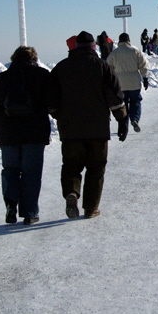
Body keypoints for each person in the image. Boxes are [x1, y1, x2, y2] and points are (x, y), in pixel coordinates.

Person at [49, 31, 128, 220]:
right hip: (97, 129)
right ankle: (91, 208)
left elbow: (50, 100)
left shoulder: (61, 68)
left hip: (70, 129)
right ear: (94, 46)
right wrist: (122, 119)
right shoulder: (102, 67)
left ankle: (72, 192)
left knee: (71, 165)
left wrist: (60, 116)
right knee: (96, 167)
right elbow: (114, 97)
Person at [0, 46, 51, 225]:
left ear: (13, 59)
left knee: (10, 170)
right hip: (35, 133)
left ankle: (11, 204)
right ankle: (29, 213)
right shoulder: (43, 76)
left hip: (7, 133)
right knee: (31, 173)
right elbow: (54, 101)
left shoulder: (1, 79)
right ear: (34, 59)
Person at [106, 32, 150, 133]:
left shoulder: (114, 53)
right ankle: (135, 119)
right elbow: (143, 65)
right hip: (134, 82)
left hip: (120, 84)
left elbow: (108, 68)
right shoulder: (135, 51)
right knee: (135, 101)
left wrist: (110, 82)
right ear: (128, 40)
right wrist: (145, 78)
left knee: (123, 104)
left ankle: (124, 122)